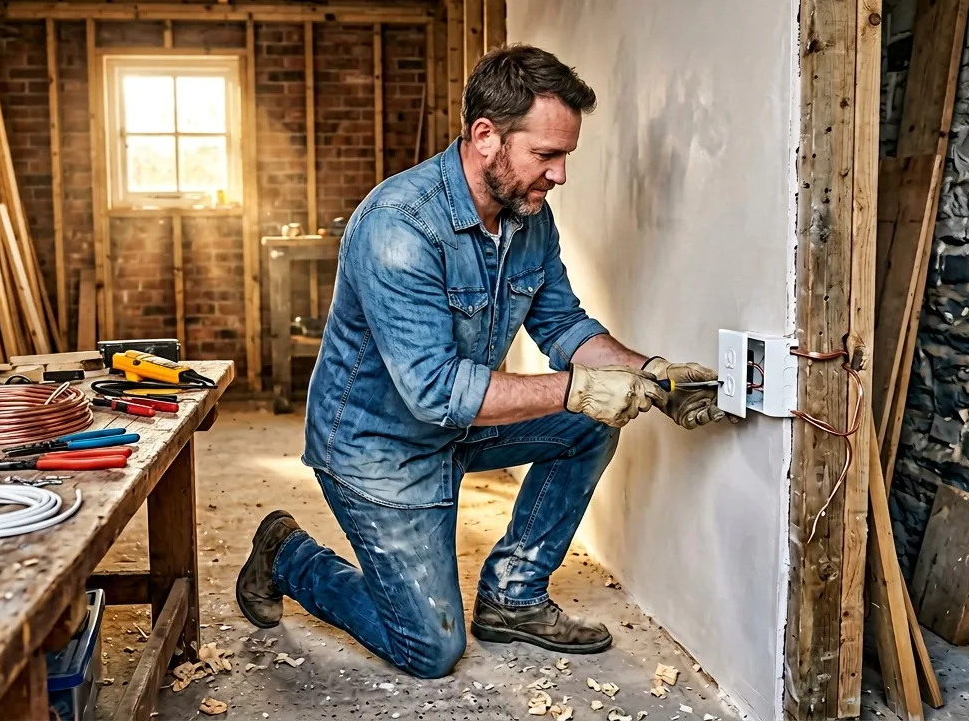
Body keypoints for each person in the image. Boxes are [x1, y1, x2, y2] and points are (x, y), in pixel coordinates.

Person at [236, 44, 727, 679]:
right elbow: (435, 390)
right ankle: (289, 556)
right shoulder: (398, 227)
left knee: (591, 421)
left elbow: (563, 324)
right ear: (486, 136)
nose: (559, 175)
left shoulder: (530, 219)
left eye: (565, 156)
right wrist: (576, 389)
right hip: (380, 447)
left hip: (462, 423)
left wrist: (650, 374)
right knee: (430, 650)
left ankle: (513, 597)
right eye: (546, 155)